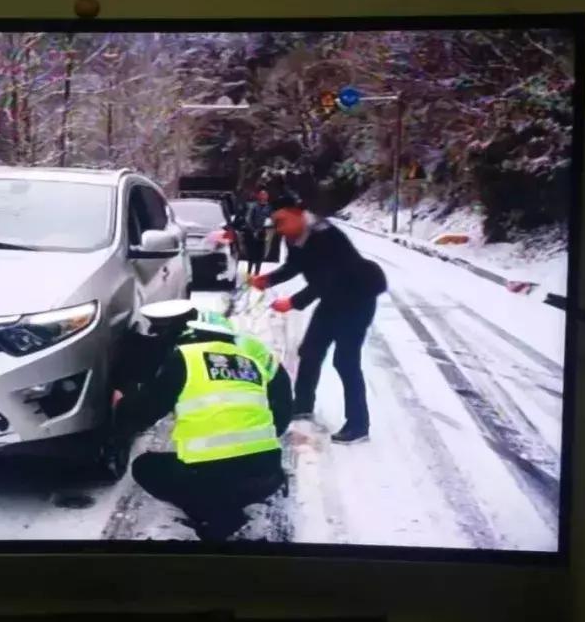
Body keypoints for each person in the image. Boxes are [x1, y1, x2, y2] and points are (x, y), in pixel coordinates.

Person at [111, 299, 292, 541]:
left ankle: (218, 515)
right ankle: (231, 501)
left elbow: (143, 412)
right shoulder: (249, 360)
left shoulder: (186, 357)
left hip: (212, 479)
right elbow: (280, 394)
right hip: (268, 474)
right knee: (228, 468)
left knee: (145, 467)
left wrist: (122, 404)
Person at [248, 192, 387, 443]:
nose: (279, 229)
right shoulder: (294, 237)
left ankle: (358, 425)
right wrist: (267, 279)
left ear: (298, 214)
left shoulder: (326, 235)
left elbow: (328, 279)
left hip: (357, 297)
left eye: (282, 221)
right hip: (333, 299)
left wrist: (293, 302)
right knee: (310, 351)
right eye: (275, 223)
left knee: (345, 361)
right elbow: (294, 266)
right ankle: (301, 407)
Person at [242, 188, 274, 276]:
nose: (263, 197)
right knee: (251, 254)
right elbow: (248, 218)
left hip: (263, 233)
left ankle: (257, 273)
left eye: (265, 195)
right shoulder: (254, 206)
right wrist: (253, 230)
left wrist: (268, 228)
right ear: (258, 196)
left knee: (260, 255)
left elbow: (271, 219)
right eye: (262, 195)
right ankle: (249, 272)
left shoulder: (269, 207)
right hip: (252, 233)